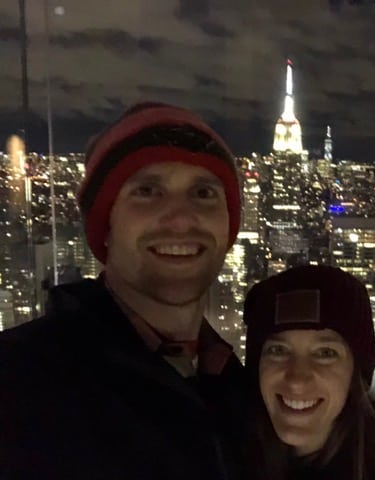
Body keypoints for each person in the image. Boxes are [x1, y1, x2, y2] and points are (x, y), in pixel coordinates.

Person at [0, 102, 245, 479]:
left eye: (203, 193)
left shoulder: (241, 391)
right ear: (106, 224)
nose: (180, 219)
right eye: (148, 191)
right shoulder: (18, 385)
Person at [242, 264, 375, 480]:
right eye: (278, 350)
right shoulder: (221, 457)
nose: (297, 380)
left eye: (325, 353)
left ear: (355, 373)